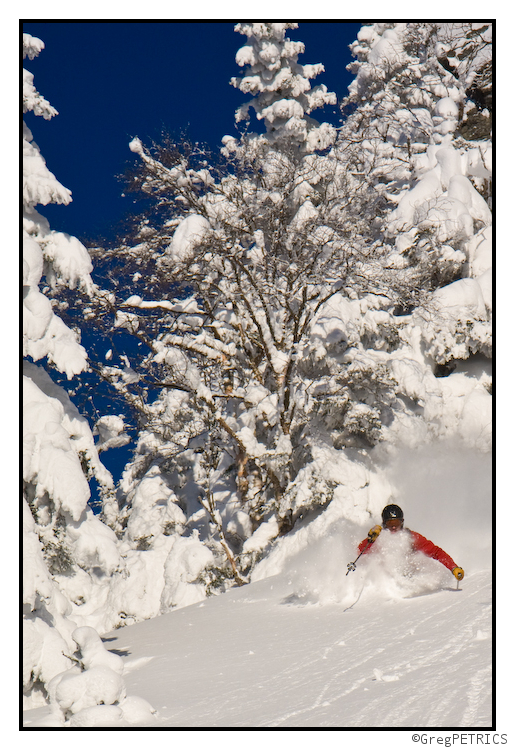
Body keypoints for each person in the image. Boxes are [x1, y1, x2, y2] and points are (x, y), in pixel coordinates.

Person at [358, 504, 464, 581]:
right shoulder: (378, 537)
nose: (394, 527)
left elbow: (436, 552)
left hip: (407, 579)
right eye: (390, 523)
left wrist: (453, 567)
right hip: (383, 581)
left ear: (402, 522)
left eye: (397, 523)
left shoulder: (411, 538)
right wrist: (370, 539)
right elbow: (359, 552)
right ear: (384, 524)